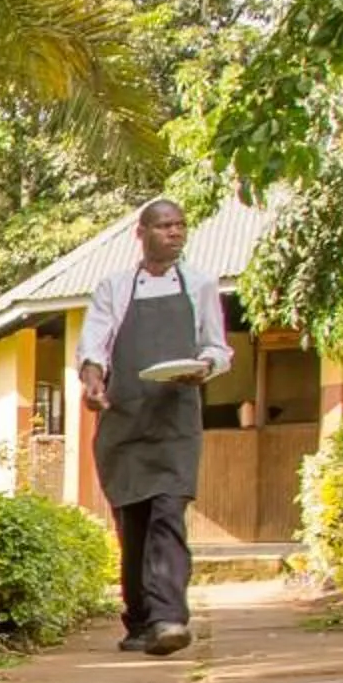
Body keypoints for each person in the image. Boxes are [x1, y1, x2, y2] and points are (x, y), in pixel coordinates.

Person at [78, 197, 231, 657]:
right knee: (135, 524)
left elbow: (218, 348)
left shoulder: (200, 285)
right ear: (141, 233)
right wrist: (92, 382)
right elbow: (94, 345)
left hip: (175, 419)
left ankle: (169, 618)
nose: (175, 233)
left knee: (168, 513)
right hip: (124, 421)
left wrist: (204, 367)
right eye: (165, 225)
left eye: (181, 225)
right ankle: (141, 620)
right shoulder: (115, 287)